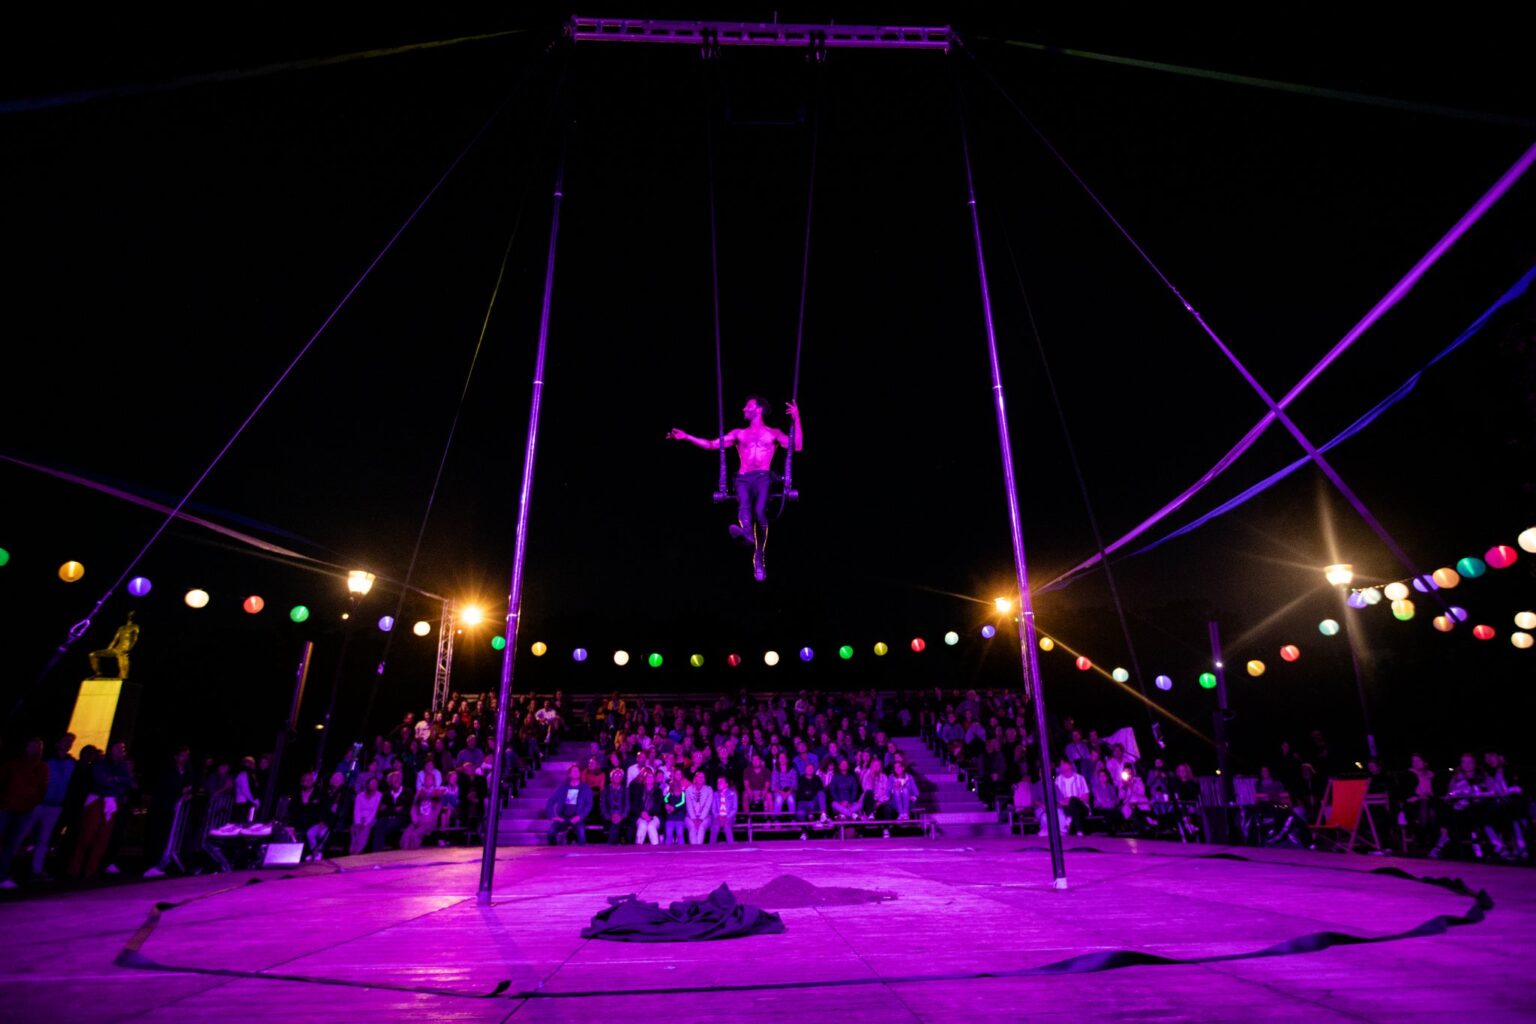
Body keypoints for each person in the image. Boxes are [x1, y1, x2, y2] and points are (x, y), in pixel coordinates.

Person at [668, 395, 804, 581]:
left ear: (758, 410)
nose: (743, 409)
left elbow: (797, 446)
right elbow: (711, 445)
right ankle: (747, 532)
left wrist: (796, 418)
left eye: (748, 406)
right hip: (743, 478)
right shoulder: (739, 434)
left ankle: (759, 554)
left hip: (763, 477)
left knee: (760, 511)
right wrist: (687, 437)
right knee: (744, 504)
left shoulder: (773, 433)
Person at [545, 765, 593, 846]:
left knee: (582, 836)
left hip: (577, 817)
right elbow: (550, 801)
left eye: (577, 771)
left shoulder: (585, 788)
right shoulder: (562, 787)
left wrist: (580, 816)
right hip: (563, 817)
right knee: (551, 833)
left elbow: (589, 805)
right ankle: (554, 850)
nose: (575, 773)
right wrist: (553, 816)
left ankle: (581, 852)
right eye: (573, 771)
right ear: (569, 774)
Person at [88, 612, 140, 679]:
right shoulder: (121, 628)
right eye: (130, 614)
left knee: (124, 676)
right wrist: (109, 648)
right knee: (92, 654)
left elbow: (136, 639)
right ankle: (98, 673)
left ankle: (122, 675)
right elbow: (115, 639)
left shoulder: (136, 626)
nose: (130, 616)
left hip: (125, 651)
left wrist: (130, 649)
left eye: (132, 615)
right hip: (116, 649)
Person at [709, 776, 738, 844]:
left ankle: (731, 846)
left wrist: (727, 816)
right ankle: (711, 847)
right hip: (718, 817)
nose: (719, 784)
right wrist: (718, 816)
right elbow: (713, 809)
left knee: (727, 827)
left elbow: (734, 808)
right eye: (718, 782)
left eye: (721, 782)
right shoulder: (715, 794)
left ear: (726, 784)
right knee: (714, 827)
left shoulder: (732, 794)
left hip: (729, 817)